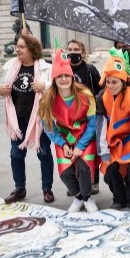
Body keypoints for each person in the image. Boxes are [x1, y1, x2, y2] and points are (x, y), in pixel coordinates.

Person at [0, 34, 55, 204]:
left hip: (39, 119)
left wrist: (45, 86)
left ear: (31, 49)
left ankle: (47, 189)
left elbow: (58, 85)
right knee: (16, 154)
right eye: (17, 46)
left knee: (44, 153)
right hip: (17, 119)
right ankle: (20, 188)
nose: (17, 49)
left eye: (21, 46)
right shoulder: (10, 67)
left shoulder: (45, 67)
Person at [39, 49, 99, 213]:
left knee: (83, 168)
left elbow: (93, 124)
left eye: (66, 75)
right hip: (64, 138)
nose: (64, 79)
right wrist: (62, 143)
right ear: (54, 78)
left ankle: (87, 198)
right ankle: (79, 196)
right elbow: (48, 126)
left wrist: (80, 146)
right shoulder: (47, 99)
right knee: (65, 172)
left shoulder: (86, 95)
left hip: (85, 136)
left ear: (72, 77)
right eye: (60, 76)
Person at [96, 48, 130, 211]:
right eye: (108, 82)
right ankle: (119, 198)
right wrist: (103, 150)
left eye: (114, 82)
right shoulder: (101, 97)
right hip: (112, 142)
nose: (110, 86)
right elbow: (100, 124)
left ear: (123, 82)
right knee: (111, 168)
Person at [66, 39, 102, 195]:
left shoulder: (90, 69)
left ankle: (93, 182)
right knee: (72, 151)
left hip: (89, 116)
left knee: (90, 151)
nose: (73, 52)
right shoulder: (63, 69)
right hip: (69, 118)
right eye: (70, 49)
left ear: (83, 52)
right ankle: (76, 183)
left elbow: (101, 89)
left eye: (76, 49)